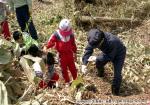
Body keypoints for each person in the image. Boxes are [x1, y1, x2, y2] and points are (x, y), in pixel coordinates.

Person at [82, 28, 126, 96]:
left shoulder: (112, 41)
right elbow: (88, 49)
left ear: (102, 40)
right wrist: (84, 64)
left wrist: (96, 58)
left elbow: (109, 57)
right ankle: (101, 74)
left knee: (117, 75)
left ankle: (115, 93)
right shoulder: (93, 39)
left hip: (119, 54)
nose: (95, 47)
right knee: (98, 63)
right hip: (108, 52)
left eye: (97, 46)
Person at [43, 19, 78, 86]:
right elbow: (51, 42)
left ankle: (76, 80)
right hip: (61, 55)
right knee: (64, 70)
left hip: (70, 54)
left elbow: (73, 44)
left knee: (73, 68)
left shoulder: (71, 35)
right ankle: (67, 81)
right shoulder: (56, 34)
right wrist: (46, 47)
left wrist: (75, 53)